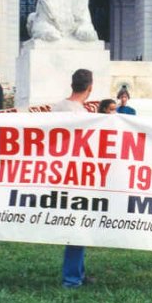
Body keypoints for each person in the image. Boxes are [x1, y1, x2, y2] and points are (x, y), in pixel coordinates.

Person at [53, 69, 94, 288]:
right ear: (90, 88)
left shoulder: (57, 108)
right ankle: (72, 279)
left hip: (59, 174)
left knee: (76, 226)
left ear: (72, 84)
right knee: (78, 226)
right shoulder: (84, 116)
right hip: (78, 177)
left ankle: (78, 272)